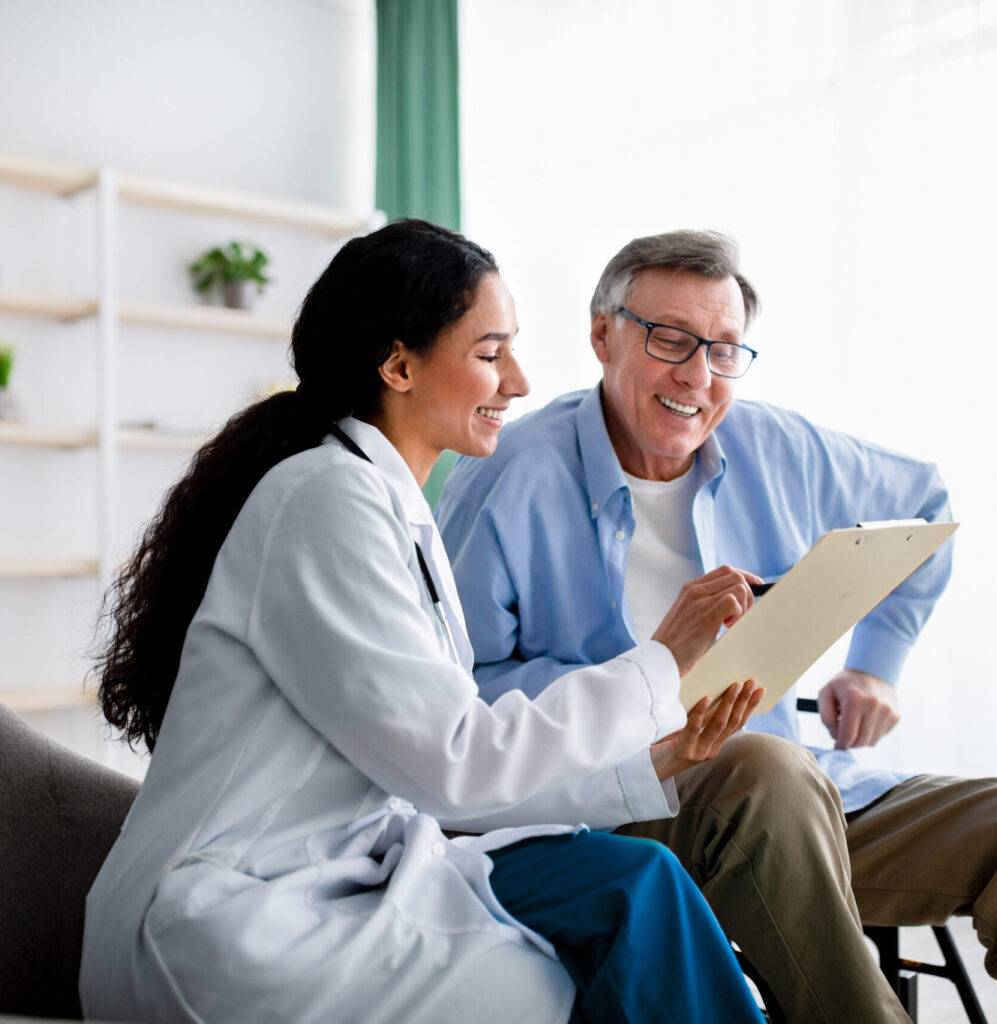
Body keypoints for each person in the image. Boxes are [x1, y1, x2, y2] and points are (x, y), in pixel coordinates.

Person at [78, 220, 768, 1024]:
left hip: (343, 872)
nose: (518, 380)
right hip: (225, 914)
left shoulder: (389, 508)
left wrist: (650, 762)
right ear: (399, 363)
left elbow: (440, 772)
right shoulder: (324, 502)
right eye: (490, 353)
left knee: (636, 892)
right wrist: (659, 663)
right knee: (577, 965)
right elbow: (455, 766)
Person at [436, 228, 997, 1024]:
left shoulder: (778, 445)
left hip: (806, 802)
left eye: (723, 351)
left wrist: (875, 664)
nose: (697, 376)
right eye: (670, 339)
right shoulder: (507, 477)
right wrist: (649, 678)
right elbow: (457, 699)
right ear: (602, 335)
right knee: (765, 770)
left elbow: (926, 504)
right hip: (624, 805)